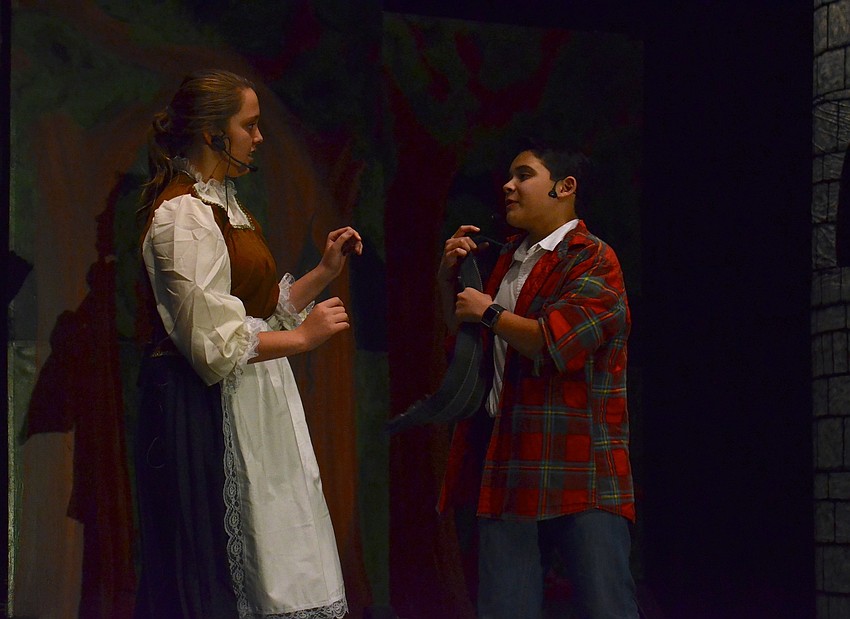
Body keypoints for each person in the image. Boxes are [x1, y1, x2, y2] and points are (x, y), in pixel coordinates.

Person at [134, 69, 358, 619]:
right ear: (212, 133)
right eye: (249, 126)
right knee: (212, 565)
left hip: (252, 395)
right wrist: (302, 338)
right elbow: (211, 342)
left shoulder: (224, 204)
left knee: (274, 551)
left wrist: (322, 273)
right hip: (201, 402)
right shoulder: (182, 214)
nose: (258, 138)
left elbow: (252, 312)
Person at [436, 140, 638, 619]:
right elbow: (469, 347)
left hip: (580, 467)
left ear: (564, 187)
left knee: (605, 608)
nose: (508, 186)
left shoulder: (592, 258)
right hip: (510, 461)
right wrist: (452, 279)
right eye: (509, 176)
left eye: (524, 175)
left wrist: (489, 311)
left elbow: (556, 343)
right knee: (505, 609)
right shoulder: (508, 259)